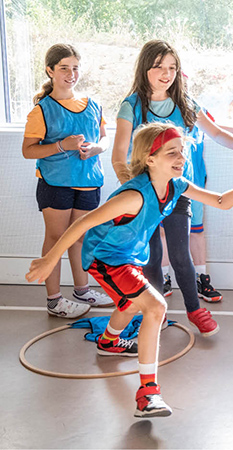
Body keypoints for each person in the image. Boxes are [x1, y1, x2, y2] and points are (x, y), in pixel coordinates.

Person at [26, 123, 233, 417]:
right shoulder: (134, 195)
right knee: (155, 306)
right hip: (106, 257)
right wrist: (51, 259)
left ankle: (108, 342)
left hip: (128, 254)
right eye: (171, 152)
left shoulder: (177, 186)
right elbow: (82, 223)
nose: (180, 158)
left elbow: (220, 202)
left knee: (128, 305)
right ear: (150, 159)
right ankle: (147, 394)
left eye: (182, 151)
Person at [111, 40, 233, 336]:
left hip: (178, 192)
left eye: (172, 67)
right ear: (145, 69)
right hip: (146, 195)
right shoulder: (132, 106)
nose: (166, 74)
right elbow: (119, 155)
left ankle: (195, 310)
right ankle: (157, 313)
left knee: (181, 255)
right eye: (159, 67)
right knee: (152, 256)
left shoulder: (185, 103)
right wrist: (133, 192)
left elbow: (216, 132)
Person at [21, 44, 114, 319]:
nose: (71, 74)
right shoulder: (41, 110)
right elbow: (28, 151)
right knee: (55, 238)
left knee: (80, 238)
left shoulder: (93, 105)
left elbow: (105, 138)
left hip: (88, 183)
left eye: (75, 68)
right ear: (50, 70)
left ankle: (83, 292)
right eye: (63, 68)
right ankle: (54, 300)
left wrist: (98, 148)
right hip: (55, 185)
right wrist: (62, 145)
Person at [161, 111, 233, 302]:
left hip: (193, 180)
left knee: (196, 229)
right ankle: (162, 278)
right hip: (165, 182)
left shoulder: (192, 108)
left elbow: (215, 128)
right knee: (161, 231)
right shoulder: (158, 107)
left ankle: (201, 279)